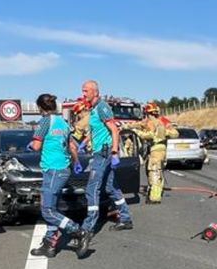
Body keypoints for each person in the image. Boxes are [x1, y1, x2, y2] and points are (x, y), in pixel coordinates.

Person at [29, 94, 89, 256]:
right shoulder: (63, 122)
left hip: (52, 169)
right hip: (64, 168)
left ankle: (78, 231)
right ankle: (49, 244)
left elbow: (35, 146)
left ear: (40, 108)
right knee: (52, 206)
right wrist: (76, 163)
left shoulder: (44, 122)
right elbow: (72, 146)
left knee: (47, 210)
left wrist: (30, 144)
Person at [80, 79, 133, 242]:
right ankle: (125, 218)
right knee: (111, 187)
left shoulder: (102, 107)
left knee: (92, 188)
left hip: (103, 152)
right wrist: (84, 142)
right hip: (101, 150)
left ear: (95, 92)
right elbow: (96, 130)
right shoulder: (94, 108)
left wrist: (115, 151)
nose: (83, 94)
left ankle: (87, 228)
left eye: (86, 91)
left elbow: (114, 130)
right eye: (82, 91)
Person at [132, 102, 177, 203]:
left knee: (154, 173)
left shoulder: (154, 122)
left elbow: (150, 135)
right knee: (156, 172)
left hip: (156, 150)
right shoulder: (160, 121)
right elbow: (138, 124)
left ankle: (155, 198)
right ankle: (155, 191)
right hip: (159, 150)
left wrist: (137, 132)